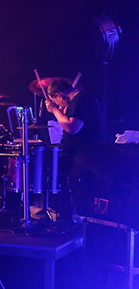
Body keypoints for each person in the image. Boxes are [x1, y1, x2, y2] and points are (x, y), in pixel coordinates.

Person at [44, 78, 102, 223]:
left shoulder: (81, 100)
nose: (59, 105)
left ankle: (76, 217)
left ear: (59, 95)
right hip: (81, 153)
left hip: (83, 155)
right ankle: (69, 215)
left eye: (57, 101)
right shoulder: (81, 100)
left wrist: (55, 110)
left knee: (73, 183)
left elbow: (72, 127)